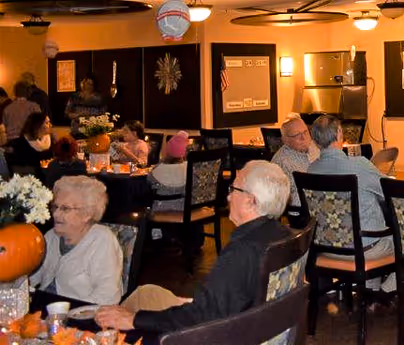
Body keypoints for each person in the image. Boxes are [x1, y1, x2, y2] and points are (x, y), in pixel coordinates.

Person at [95, 161, 294, 333]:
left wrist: (133, 320)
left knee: (122, 316)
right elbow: (228, 300)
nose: (228, 197)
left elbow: (203, 317)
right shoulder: (283, 235)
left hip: (217, 332)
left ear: (251, 201)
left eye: (234, 189)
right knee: (146, 293)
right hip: (246, 321)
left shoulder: (243, 250)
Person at [307, 115, 394, 291]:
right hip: (364, 249)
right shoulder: (359, 165)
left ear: (315, 141)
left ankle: (370, 292)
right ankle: (385, 292)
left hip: (326, 249)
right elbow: (390, 191)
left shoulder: (311, 170)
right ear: (340, 133)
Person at [32, 176, 123, 305]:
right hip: (44, 307)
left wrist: (72, 312)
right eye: (55, 207)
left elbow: (108, 296)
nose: (56, 214)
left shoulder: (102, 240)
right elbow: (32, 276)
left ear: (87, 214)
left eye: (65, 209)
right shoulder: (51, 236)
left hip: (80, 312)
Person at [270, 114, 320, 228]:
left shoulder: (315, 148)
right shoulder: (282, 160)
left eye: (305, 132)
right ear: (285, 140)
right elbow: (276, 198)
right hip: (301, 213)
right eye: (297, 135)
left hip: (320, 203)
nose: (304, 138)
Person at [148, 131, 189, 213]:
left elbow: (149, 181)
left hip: (160, 209)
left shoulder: (158, 168)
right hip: (184, 208)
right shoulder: (189, 167)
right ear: (184, 153)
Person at [7, 112, 53, 177]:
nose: (50, 125)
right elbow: (18, 167)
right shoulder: (19, 143)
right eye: (47, 123)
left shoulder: (48, 141)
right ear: (38, 125)